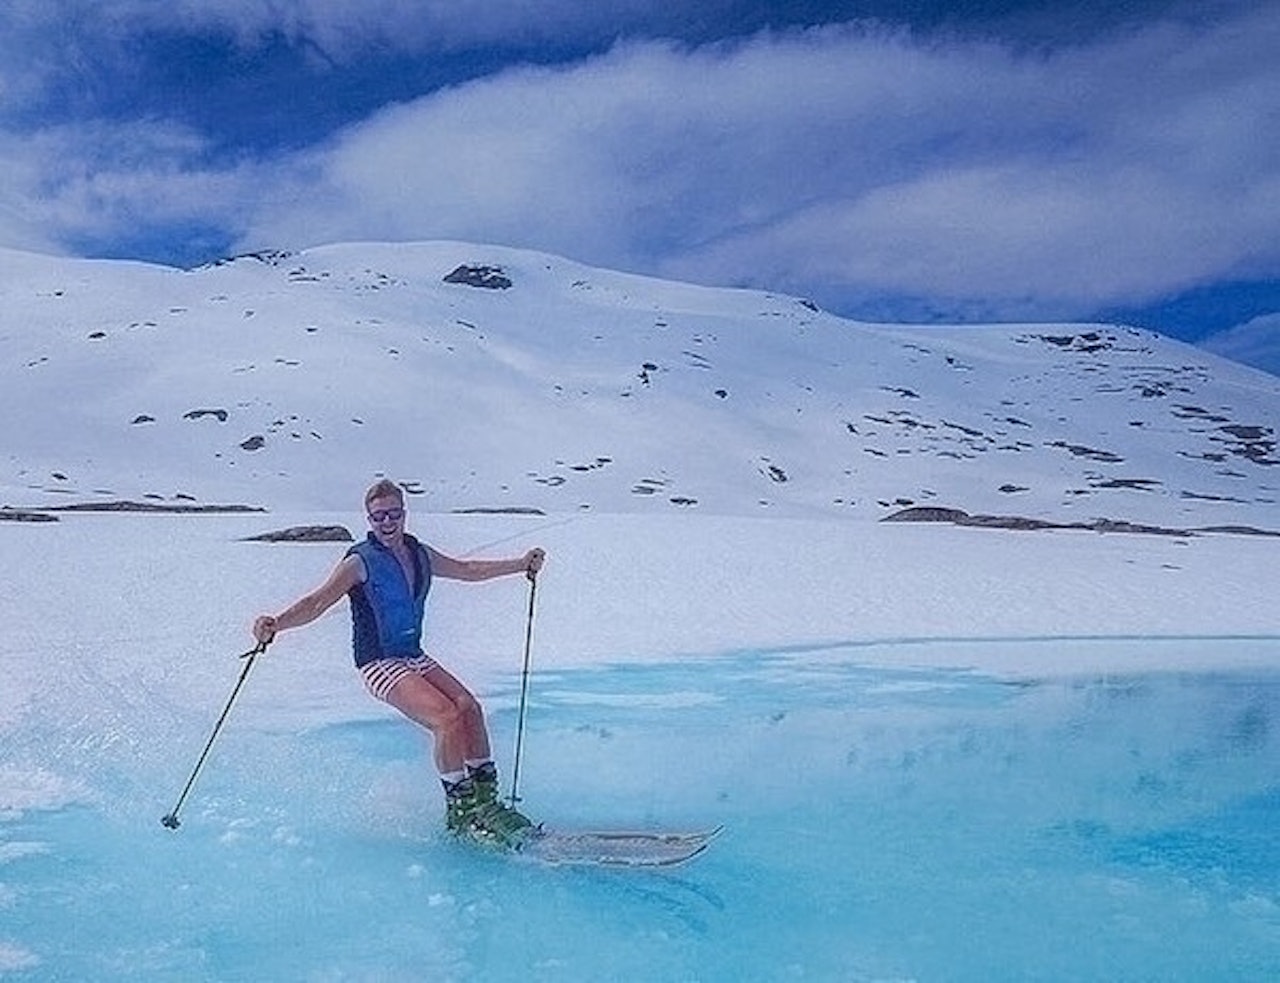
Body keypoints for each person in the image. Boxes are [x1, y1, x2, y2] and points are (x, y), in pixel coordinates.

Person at [251, 478, 545, 846]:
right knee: (446, 718)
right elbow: (317, 602)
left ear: (404, 514)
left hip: (412, 656)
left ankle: (486, 801)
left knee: (469, 708)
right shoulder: (359, 562)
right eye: (378, 517)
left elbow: (467, 570)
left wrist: (520, 565)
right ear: (369, 520)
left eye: (393, 514)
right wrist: (276, 624)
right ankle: (461, 811)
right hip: (379, 663)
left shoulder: (419, 553)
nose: (387, 523)